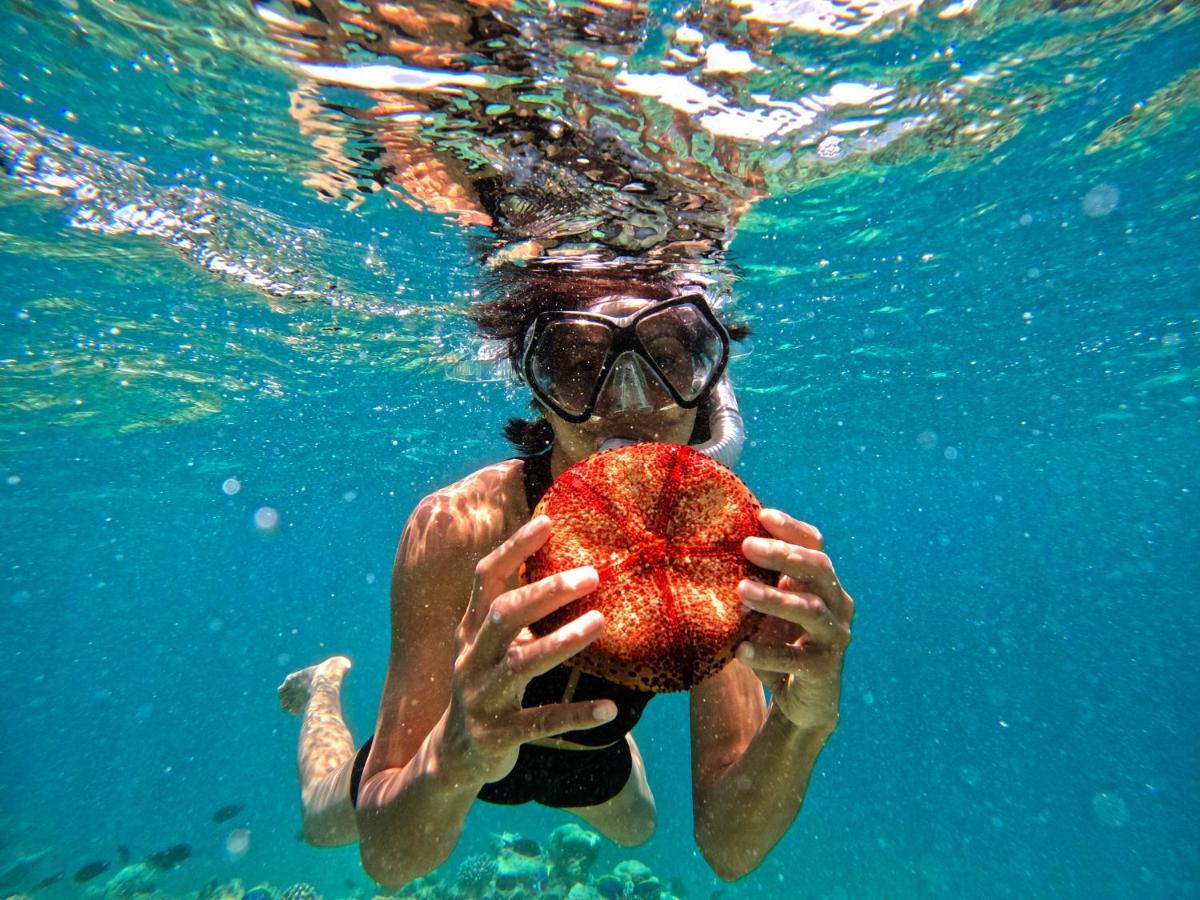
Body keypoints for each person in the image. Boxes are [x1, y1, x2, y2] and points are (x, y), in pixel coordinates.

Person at [278, 266, 855, 887]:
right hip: (454, 748)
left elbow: (730, 848)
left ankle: (612, 741)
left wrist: (803, 722)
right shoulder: (463, 526)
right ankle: (321, 688)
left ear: (707, 390)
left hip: (593, 759)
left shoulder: (724, 540)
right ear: (541, 390)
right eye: (581, 367)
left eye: (664, 360)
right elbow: (389, 860)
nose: (628, 403)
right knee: (324, 823)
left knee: (640, 828)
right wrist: (454, 758)